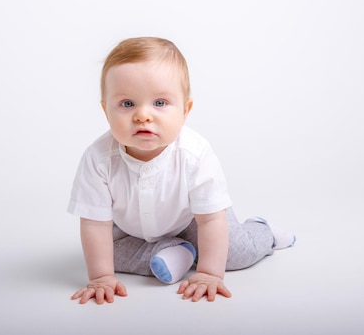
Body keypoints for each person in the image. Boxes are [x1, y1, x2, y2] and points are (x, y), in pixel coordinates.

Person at [67, 37, 295, 304]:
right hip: (130, 229)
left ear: (185, 111)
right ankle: (173, 251)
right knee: (105, 252)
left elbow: (210, 220)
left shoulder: (195, 154)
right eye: (127, 104)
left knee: (234, 253)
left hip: (194, 219)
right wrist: (101, 277)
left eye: (160, 103)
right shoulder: (98, 158)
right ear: (106, 111)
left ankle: (262, 233)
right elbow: (95, 224)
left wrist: (209, 274)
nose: (143, 115)